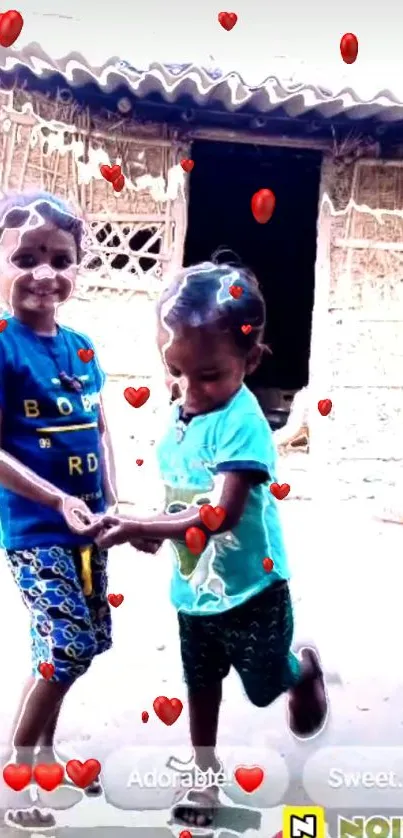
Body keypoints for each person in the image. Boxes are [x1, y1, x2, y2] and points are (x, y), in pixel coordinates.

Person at [94, 262, 329, 829]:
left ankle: (302, 672)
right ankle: (203, 779)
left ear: (250, 361)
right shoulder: (179, 415)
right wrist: (155, 530)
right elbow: (181, 497)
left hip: (253, 587)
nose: (189, 390)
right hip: (194, 592)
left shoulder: (243, 422)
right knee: (200, 687)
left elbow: (220, 514)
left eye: (209, 376)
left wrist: (148, 526)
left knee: (263, 685)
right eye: (174, 372)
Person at [0, 191, 119, 829]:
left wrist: (116, 504)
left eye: (60, 258)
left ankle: (44, 749)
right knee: (65, 647)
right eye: (25, 257)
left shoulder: (82, 347)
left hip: (88, 531)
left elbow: (100, 428)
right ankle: (16, 778)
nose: (44, 272)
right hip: (37, 530)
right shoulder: (2, 347)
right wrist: (58, 499)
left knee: (76, 645)